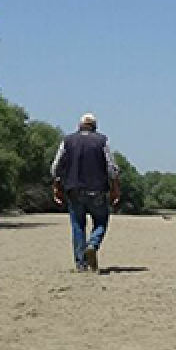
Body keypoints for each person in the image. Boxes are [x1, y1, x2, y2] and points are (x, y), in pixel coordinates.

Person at [51, 113, 122, 273]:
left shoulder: (67, 140)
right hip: (97, 189)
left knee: (78, 225)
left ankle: (81, 264)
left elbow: (56, 167)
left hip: (74, 189)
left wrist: (57, 186)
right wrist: (115, 188)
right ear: (95, 126)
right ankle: (93, 244)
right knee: (101, 222)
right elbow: (112, 167)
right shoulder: (102, 140)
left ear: (79, 125)